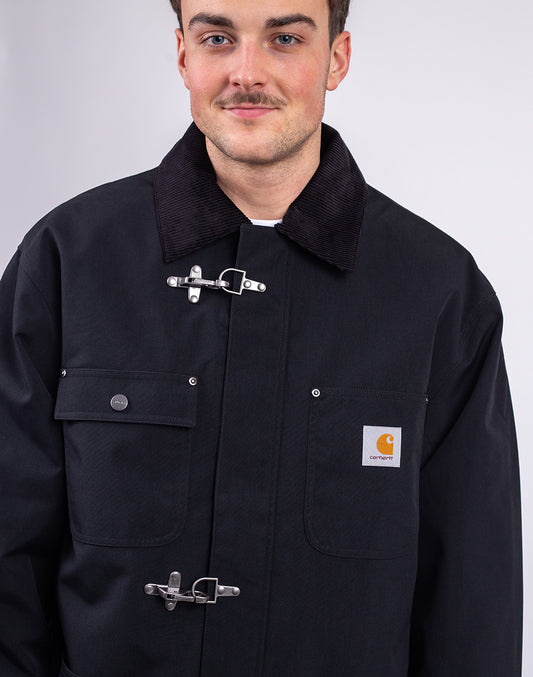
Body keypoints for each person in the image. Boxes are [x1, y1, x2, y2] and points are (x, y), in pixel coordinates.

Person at [0, 0, 522, 674]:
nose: (246, 72)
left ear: (336, 59)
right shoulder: (68, 261)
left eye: (285, 38)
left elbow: (472, 597)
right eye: (218, 37)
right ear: (183, 55)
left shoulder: (439, 291)